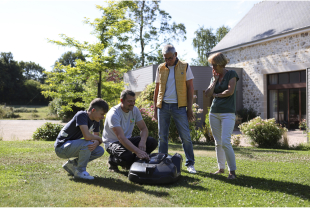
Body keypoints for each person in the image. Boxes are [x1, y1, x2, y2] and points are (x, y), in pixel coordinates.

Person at [153, 44, 196, 174]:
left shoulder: (185, 66)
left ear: (175, 55)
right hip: (163, 106)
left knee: (185, 136)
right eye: (165, 58)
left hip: (180, 106)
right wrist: (155, 109)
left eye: (170, 58)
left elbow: (190, 88)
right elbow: (156, 89)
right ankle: (162, 161)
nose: (167, 61)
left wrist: (189, 109)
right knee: (162, 137)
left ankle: (190, 164)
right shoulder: (160, 68)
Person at [102, 89, 158, 172]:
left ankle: (134, 161)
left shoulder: (134, 110)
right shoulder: (114, 114)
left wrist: (142, 142)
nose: (132, 103)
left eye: (134, 101)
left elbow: (143, 129)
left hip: (127, 140)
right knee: (127, 157)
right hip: (112, 143)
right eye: (129, 101)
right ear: (122, 100)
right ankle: (112, 160)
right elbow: (121, 138)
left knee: (152, 141)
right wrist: (137, 151)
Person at [54, 98, 109, 180]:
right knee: (88, 143)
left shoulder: (96, 121)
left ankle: (72, 165)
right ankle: (80, 171)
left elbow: (95, 140)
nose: (103, 117)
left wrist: (97, 142)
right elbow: (87, 136)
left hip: (71, 146)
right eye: (101, 114)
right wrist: (99, 139)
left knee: (99, 150)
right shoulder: (82, 115)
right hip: (61, 148)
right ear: (93, 110)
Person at [204, 52, 239, 179]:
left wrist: (217, 95)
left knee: (225, 141)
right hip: (214, 113)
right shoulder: (214, 77)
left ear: (220, 64)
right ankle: (221, 168)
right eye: (212, 66)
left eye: (214, 65)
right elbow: (207, 93)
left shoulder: (232, 74)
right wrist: (214, 81)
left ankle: (232, 171)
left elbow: (230, 91)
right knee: (218, 142)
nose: (212, 68)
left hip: (228, 113)